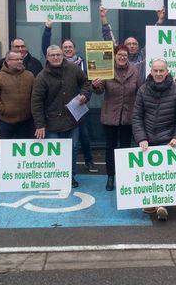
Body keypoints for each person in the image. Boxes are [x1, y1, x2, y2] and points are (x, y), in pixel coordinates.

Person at [132, 58, 176, 221]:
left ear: (167, 72)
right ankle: (151, 201)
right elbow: (136, 116)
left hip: (167, 138)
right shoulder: (142, 90)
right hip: (147, 137)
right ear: (151, 71)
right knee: (149, 173)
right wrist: (141, 137)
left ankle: (162, 204)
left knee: (164, 173)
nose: (158, 73)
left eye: (161, 70)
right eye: (155, 70)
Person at [31, 45, 92, 188]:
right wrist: (40, 125)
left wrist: (85, 94)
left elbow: (85, 83)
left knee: (73, 149)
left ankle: (71, 177)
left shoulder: (74, 69)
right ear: (47, 57)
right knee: (55, 152)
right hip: (52, 122)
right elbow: (36, 102)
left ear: (62, 55)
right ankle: (56, 177)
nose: (56, 57)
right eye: (52, 55)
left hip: (72, 119)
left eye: (58, 54)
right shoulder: (42, 77)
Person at [41, 20, 96, 173]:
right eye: (65, 47)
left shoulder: (82, 62)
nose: (67, 49)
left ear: (74, 49)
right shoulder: (54, 62)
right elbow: (45, 45)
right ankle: (59, 170)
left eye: (70, 47)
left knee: (83, 136)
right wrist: (48, 28)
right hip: (59, 107)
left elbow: (88, 81)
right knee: (64, 142)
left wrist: (87, 93)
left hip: (79, 105)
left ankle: (89, 161)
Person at [91, 45, 141, 191]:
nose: (122, 57)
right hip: (110, 116)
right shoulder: (106, 68)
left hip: (128, 116)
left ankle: (124, 177)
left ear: (128, 56)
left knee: (125, 148)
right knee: (110, 147)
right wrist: (95, 86)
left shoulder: (135, 71)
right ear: (114, 55)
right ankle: (110, 177)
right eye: (119, 54)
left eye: (125, 55)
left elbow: (140, 90)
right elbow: (100, 91)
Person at [100, 6, 165, 80]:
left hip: (140, 91)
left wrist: (160, 20)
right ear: (124, 46)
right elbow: (108, 37)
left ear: (138, 46)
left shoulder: (143, 56)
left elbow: (153, 37)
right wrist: (103, 17)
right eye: (129, 44)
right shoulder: (119, 56)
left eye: (134, 44)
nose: (132, 46)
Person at [0, 50, 35, 139]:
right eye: (16, 59)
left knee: (23, 150)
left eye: (21, 59)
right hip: (6, 122)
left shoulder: (29, 75)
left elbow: (35, 95)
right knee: (7, 150)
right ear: (8, 61)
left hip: (25, 121)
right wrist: (3, 110)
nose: (20, 61)